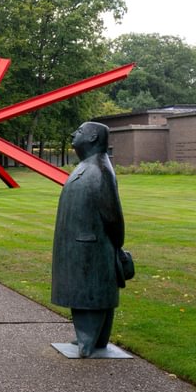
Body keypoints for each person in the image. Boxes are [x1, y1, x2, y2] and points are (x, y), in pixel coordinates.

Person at [51, 121, 125, 358]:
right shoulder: (89, 167)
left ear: (93, 138)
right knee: (85, 294)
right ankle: (91, 339)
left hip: (90, 249)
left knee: (90, 295)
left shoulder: (99, 171)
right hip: (83, 247)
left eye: (80, 131)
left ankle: (89, 341)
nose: (74, 133)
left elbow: (113, 216)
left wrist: (117, 244)